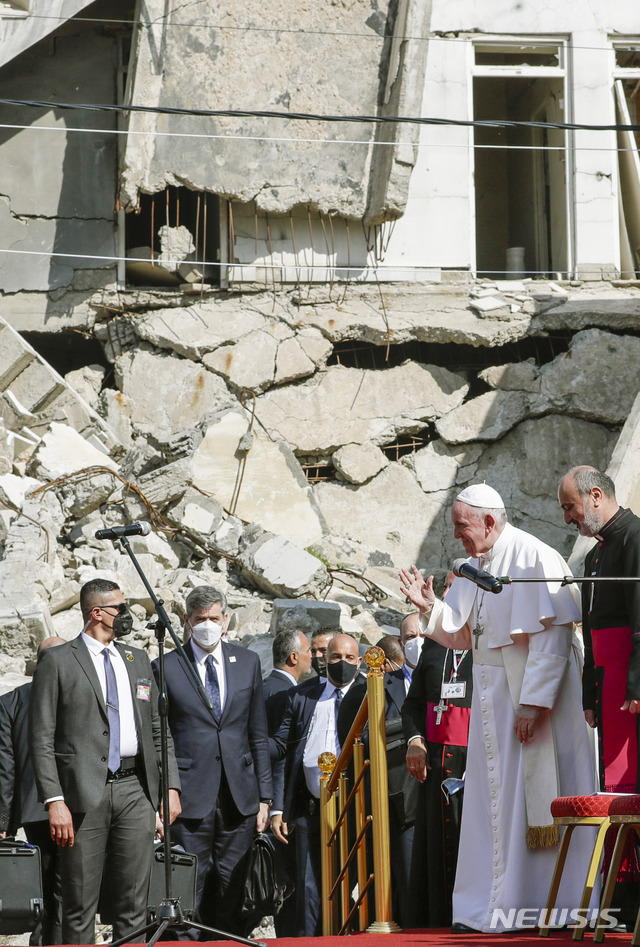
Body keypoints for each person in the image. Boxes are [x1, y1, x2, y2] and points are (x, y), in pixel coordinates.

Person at [400, 483, 596, 934]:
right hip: (494, 701)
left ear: (489, 521)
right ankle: (492, 905)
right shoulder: (476, 566)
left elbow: (553, 636)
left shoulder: (535, 556)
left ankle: (550, 904)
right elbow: (464, 633)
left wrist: (532, 702)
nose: (457, 537)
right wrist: (430, 607)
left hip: (532, 702)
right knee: (494, 804)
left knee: (534, 800)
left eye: (461, 526)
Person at [29, 579, 181, 945]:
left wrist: (170, 786)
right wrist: (54, 801)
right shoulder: (59, 661)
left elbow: (158, 730)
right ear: (97, 613)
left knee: (133, 903)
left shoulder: (137, 658)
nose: (127, 615)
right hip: (83, 795)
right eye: (120, 608)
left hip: (135, 791)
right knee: (80, 904)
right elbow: (41, 738)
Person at [155, 586, 272, 939]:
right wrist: (168, 789)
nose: (207, 625)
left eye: (214, 618)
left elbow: (258, 731)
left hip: (239, 793)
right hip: (190, 796)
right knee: (190, 880)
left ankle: (228, 940)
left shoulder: (247, 661)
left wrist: (266, 796)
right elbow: (163, 736)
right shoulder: (167, 665)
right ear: (187, 622)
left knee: (233, 881)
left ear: (226, 621)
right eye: (199, 619)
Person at [558, 465, 640, 924]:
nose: (569, 517)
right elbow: (590, 632)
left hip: (629, 685)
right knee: (614, 789)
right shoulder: (594, 555)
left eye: (570, 506)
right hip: (608, 685)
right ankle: (623, 902)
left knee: (633, 787)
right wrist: (592, 691)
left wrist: (636, 682)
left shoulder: (635, 538)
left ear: (594, 496)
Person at [271, 633, 366, 936]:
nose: (342, 663)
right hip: (309, 808)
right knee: (310, 888)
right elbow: (283, 754)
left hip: (357, 808)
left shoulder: (370, 694)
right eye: (336, 657)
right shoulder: (302, 695)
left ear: (359, 661)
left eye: (349, 658)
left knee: (354, 881)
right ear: (324, 659)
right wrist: (277, 807)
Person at [402, 603, 472, 928]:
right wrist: (415, 739)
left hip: (476, 762)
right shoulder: (432, 644)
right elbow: (413, 704)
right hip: (435, 764)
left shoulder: (487, 639)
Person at [0, 637, 66, 946]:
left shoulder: (11, 701)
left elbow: (5, 768)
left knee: (46, 885)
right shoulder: (79, 689)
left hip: (35, 809)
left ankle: (44, 942)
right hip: (81, 805)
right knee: (73, 888)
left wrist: (4, 822)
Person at [262, 609, 314, 937]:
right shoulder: (286, 694)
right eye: (309, 652)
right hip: (275, 802)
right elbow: (278, 754)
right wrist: (276, 804)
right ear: (295, 656)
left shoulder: (263, 686)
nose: (312, 658)